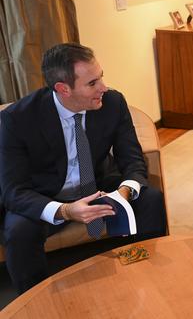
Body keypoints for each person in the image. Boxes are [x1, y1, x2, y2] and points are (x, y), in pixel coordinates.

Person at [0, 43, 167, 293]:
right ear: (63, 89)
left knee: (150, 199)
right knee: (19, 231)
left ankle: (146, 277)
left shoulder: (112, 102)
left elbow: (132, 158)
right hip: (45, 194)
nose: (103, 88)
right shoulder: (18, 119)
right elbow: (13, 190)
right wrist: (66, 211)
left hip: (98, 184)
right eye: (92, 83)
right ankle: (36, 300)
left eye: (101, 77)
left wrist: (124, 192)